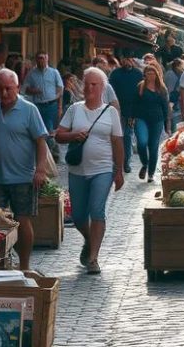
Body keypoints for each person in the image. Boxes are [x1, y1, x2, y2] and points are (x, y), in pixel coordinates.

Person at [0, 69, 50, 271]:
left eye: (9, 88)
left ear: (17, 87)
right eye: (0, 89)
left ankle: (25, 265)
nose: (4, 92)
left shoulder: (29, 110)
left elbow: (40, 141)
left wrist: (40, 169)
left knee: (22, 220)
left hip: (23, 177)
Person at [56, 68, 124, 273]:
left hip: (102, 170)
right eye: (86, 84)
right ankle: (88, 238)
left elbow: (117, 142)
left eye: (94, 84)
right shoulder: (74, 109)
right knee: (77, 216)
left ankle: (93, 258)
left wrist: (118, 170)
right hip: (77, 170)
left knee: (97, 210)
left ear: (103, 87)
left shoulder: (110, 112)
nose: (89, 88)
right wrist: (73, 135)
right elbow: (58, 135)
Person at [132, 64, 171, 182]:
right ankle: (145, 163)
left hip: (157, 120)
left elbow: (165, 107)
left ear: (157, 75)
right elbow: (134, 103)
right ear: (145, 75)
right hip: (141, 118)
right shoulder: (140, 87)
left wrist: (167, 125)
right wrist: (132, 117)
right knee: (142, 143)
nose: (150, 75)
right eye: (148, 73)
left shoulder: (161, 88)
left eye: (152, 73)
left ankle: (151, 173)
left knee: (153, 147)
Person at [109, 56, 144, 173]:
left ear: (132, 61)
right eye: (124, 59)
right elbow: (110, 92)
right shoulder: (115, 74)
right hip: (116, 110)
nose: (126, 62)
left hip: (131, 111)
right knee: (117, 137)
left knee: (128, 136)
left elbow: (140, 94)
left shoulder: (138, 74)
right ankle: (117, 162)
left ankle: (126, 162)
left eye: (129, 59)